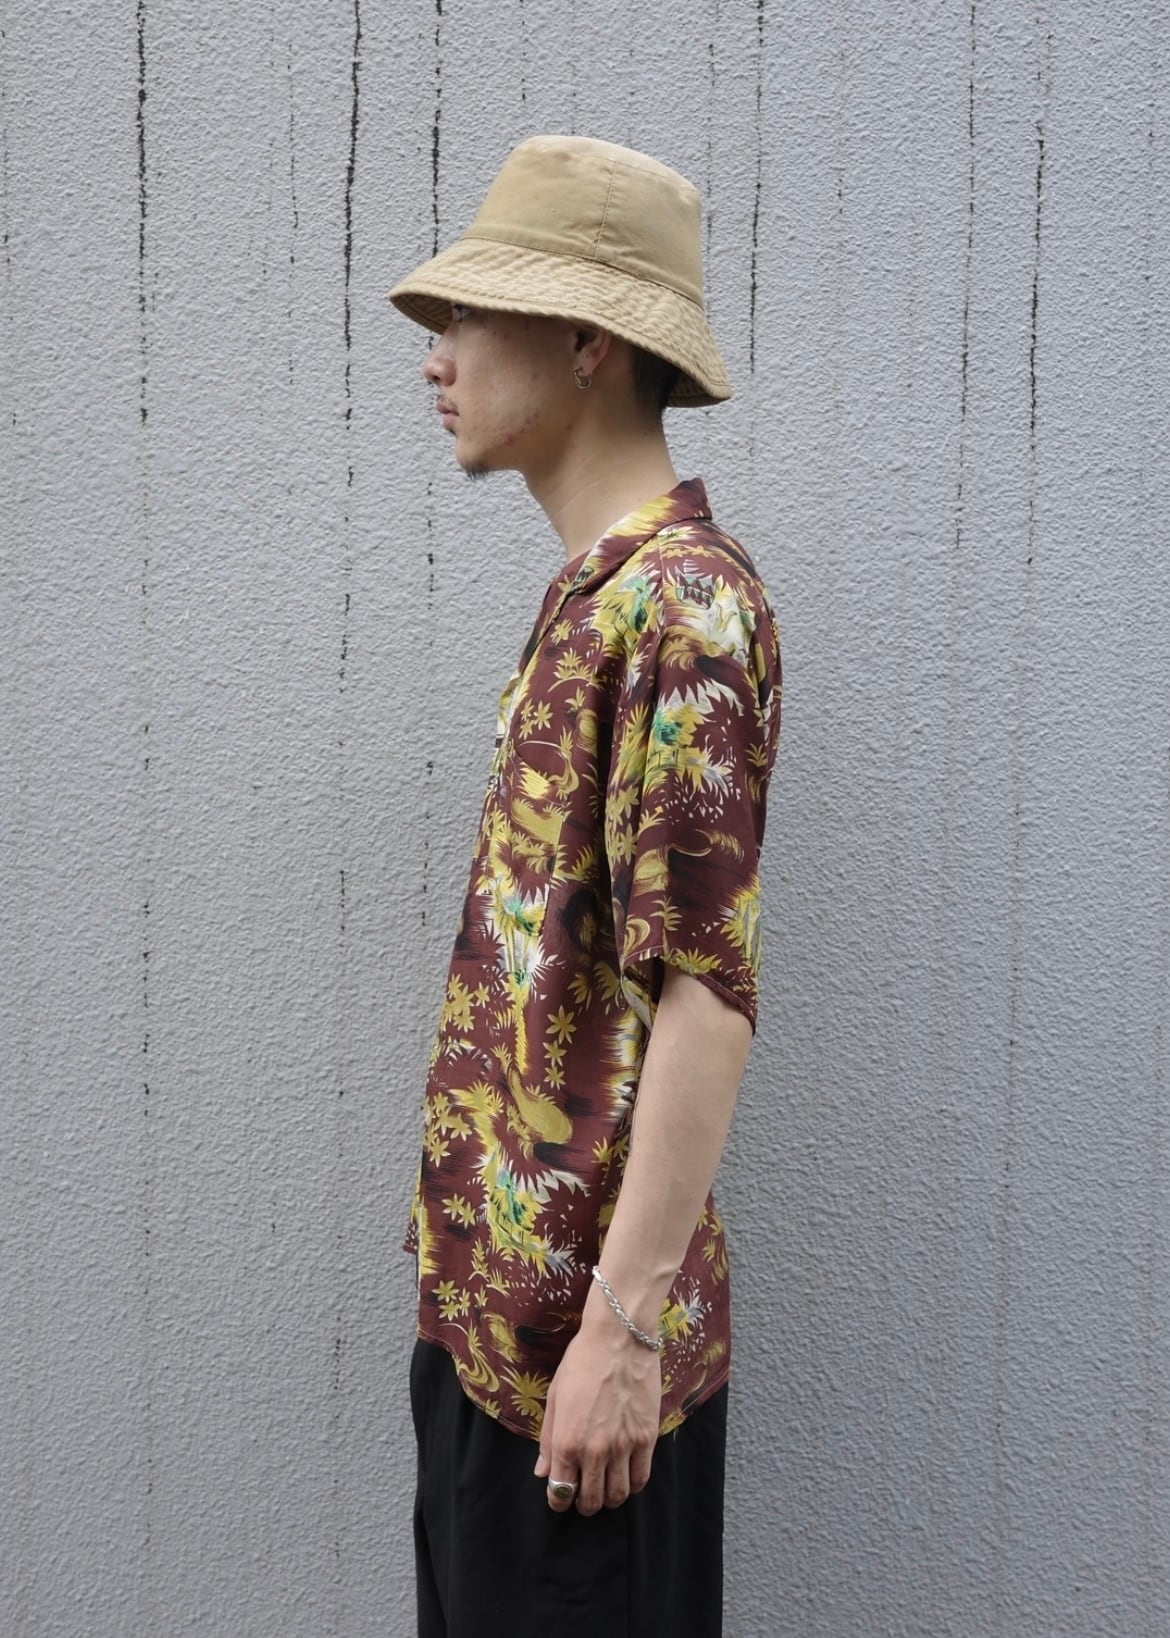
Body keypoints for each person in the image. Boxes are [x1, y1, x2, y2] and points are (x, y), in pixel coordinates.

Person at [389, 134, 782, 1637]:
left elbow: (707, 993)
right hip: (499, 1344)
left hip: (582, 1384)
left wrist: (620, 1333)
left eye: (470, 315)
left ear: (587, 342)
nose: (438, 356)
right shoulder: (597, 597)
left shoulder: (683, 609)